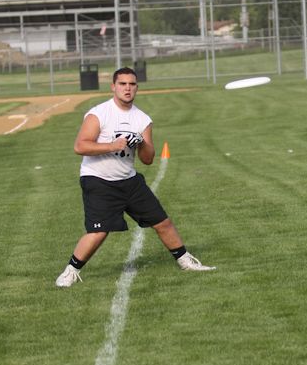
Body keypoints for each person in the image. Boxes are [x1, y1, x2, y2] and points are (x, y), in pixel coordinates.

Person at [55, 67, 214, 287]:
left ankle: (185, 261)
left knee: (163, 222)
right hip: (98, 179)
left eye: (132, 84)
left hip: (129, 180)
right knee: (99, 231)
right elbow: (80, 146)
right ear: (113, 87)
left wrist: (141, 143)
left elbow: (147, 159)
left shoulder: (142, 119)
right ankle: (70, 271)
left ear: (137, 87)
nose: (127, 88)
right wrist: (112, 145)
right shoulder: (99, 113)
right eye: (122, 84)